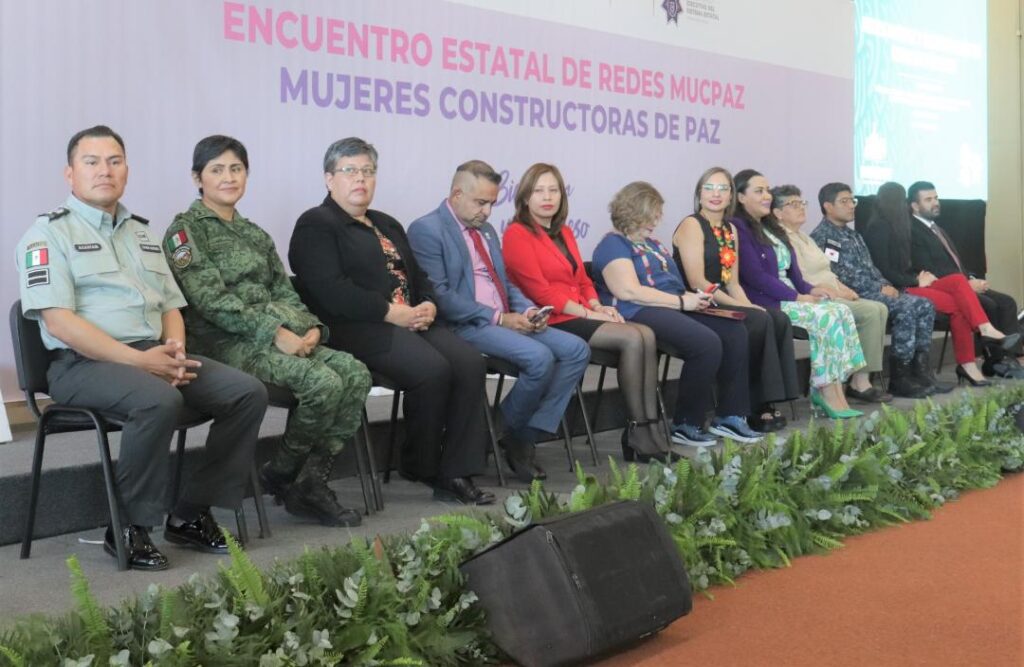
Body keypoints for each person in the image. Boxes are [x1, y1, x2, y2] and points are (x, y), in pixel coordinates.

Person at [15, 126, 268, 570]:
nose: (104, 171)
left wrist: (173, 354)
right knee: (157, 399)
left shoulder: (142, 234)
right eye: (91, 162)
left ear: (126, 171)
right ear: (69, 174)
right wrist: (140, 362)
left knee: (246, 393)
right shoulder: (46, 235)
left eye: (114, 161)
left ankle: (190, 514)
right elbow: (60, 322)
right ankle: (128, 527)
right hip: (82, 365)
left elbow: (171, 304)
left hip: (152, 354)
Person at [164, 135, 372, 527]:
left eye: (237, 169)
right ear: (198, 178)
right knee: (322, 382)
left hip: (279, 337)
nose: (228, 177)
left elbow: (283, 290)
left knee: (355, 373)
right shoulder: (185, 233)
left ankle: (309, 481)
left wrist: (310, 329)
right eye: (217, 169)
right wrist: (276, 333)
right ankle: (282, 473)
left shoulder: (255, 233)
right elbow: (212, 302)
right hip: (223, 343)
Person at [289, 139, 495, 505]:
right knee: (432, 369)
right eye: (350, 171)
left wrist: (429, 303)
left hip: (410, 319)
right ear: (329, 179)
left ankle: (456, 471)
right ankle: (420, 464)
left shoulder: (386, 223)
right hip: (356, 327)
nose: (360, 180)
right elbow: (329, 291)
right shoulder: (316, 224)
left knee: (468, 363)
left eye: (368, 171)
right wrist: (390, 313)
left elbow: (417, 276)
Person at [407, 160, 590, 483]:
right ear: (457, 194)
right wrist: (499, 318)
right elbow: (441, 296)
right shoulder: (427, 229)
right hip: (465, 325)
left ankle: (515, 434)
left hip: (503, 318)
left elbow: (505, 285)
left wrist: (529, 310)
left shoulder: (487, 230)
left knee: (576, 349)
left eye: (492, 203)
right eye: (481, 202)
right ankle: (497, 434)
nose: (488, 211)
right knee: (539, 358)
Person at [502, 163, 670, 461]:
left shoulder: (564, 231)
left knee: (646, 334)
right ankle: (638, 433)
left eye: (553, 190)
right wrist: (589, 314)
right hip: (552, 317)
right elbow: (541, 291)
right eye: (539, 190)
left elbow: (581, 278)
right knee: (632, 338)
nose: (547, 197)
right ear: (525, 197)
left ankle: (650, 431)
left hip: (578, 312)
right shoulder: (517, 234)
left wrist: (597, 305)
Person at [591, 181, 762, 446]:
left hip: (674, 303)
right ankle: (687, 422)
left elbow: (673, 283)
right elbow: (628, 291)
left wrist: (695, 299)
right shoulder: (613, 245)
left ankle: (730, 414)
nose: (656, 222)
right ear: (632, 212)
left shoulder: (653, 244)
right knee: (705, 343)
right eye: (652, 216)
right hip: (640, 310)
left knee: (734, 331)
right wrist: (682, 302)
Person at [672, 166, 800, 431]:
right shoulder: (692, 225)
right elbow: (698, 282)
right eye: (709, 188)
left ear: (731, 196)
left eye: (723, 189)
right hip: (697, 303)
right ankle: (738, 410)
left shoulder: (730, 229)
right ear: (699, 193)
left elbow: (732, 281)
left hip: (721, 300)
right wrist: (743, 307)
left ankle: (764, 402)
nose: (715, 194)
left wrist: (750, 305)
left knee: (775, 318)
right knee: (754, 320)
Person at [732, 169, 866, 419]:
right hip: (769, 301)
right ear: (740, 197)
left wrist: (812, 290)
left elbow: (795, 275)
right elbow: (755, 277)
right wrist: (798, 297)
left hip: (791, 296)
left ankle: (835, 389)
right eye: (759, 191)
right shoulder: (739, 227)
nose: (766, 196)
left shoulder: (772, 228)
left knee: (841, 310)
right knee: (826, 318)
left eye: (767, 191)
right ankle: (825, 391)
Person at [862, 182, 1016, 387]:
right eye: (902, 201)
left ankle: (970, 362)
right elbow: (885, 271)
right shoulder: (879, 229)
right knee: (960, 303)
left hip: (914, 283)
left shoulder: (898, 227)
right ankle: (979, 341)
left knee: (958, 284)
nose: (905, 206)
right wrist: (916, 280)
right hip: (901, 288)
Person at [810, 182, 937, 398]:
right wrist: (880, 288)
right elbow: (842, 275)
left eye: (853, 200)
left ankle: (919, 370)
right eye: (844, 201)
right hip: (852, 294)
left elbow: (871, 268)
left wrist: (885, 285)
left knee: (924, 304)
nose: (851, 206)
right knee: (907, 307)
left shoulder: (853, 235)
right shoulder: (825, 237)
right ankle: (899, 377)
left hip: (874, 290)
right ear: (828, 206)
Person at [772, 184, 893, 403]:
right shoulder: (781, 240)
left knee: (878, 308)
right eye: (793, 204)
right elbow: (803, 279)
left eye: (802, 203)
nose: (801, 208)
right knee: (871, 310)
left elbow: (827, 270)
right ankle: (852, 381)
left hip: (833, 291)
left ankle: (859, 379)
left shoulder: (804, 237)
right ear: (777, 213)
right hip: (816, 297)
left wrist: (844, 289)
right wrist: (836, 292)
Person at [908, 180, 1024, 379]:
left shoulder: (937, 228)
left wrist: (971, 278)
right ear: (915, 206)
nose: (935, 203)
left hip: (962, 281)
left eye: (936, 198)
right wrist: (966, 283)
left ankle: (1005, 358)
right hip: (943, 287)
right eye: (928, 200)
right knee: (989, 304)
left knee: (1007, 302)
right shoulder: (912, 231)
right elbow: (928, 268)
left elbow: (955, 263)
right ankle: (996, 361)